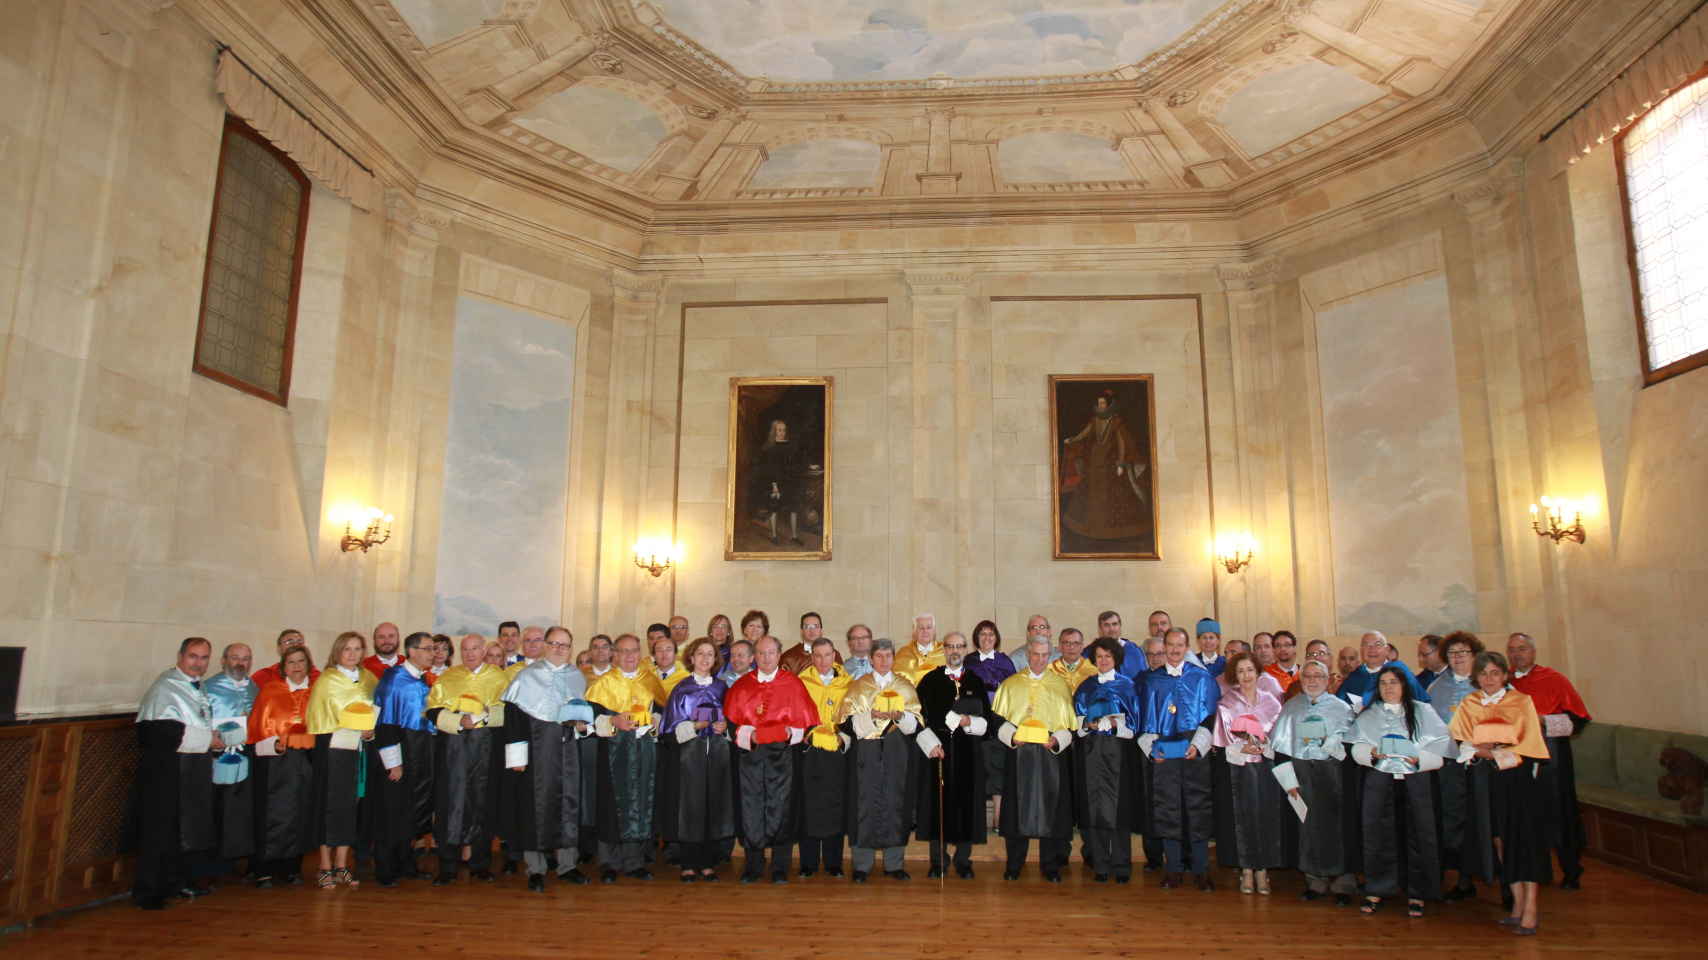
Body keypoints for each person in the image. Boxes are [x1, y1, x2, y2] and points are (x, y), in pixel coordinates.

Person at [1448, 650, 1550, 934]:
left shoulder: (1521, 702)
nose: (1488, 679)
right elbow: (1460, 740)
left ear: (1505, 675)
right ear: (1475, 678)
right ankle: (1517, 903)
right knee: (1499, 841)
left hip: (1516, 779)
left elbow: (1530, 746)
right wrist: (1476, 750)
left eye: (1494, 673)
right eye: (1482, 674)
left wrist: (1496, 754)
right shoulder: (1470, 703)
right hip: (1484, 780)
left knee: (1523, 841)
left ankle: (1531, 906)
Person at [1349, 665, 1455, 917]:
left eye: (1393, 682)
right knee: (1378, 836)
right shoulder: (1369, 714)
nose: (1388, 688)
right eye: (1383, 683)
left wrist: (1417, 758)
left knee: (1420, 836)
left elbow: (1442, 753)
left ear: (1405, 685)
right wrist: (1371, 753)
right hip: (1380, 783)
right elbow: (1355, 749)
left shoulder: (1424, 712)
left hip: (1416, 783)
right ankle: (1377, 890)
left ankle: (1418, 894)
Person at [129, 638, 225, 910]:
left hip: (192, 769)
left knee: (185, 828)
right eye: (193, 657)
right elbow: (162, 733)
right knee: (161, 830)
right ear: (180, 656)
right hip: (166, 773)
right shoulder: (165, 687)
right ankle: (148, 891)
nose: (198, 663)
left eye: (204, 658)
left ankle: (175, 882)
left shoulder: (198, 688)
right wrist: (208, 739)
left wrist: (212, 737)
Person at [501, 624, 593, 892]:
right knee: (534, 809)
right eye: (554, 644)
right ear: (544, 645)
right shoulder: (526, 677)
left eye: (565, 645)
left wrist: (581, 726)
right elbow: (514, 722)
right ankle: (536, 869)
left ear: (570, 648)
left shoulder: (577, 676)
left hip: (568, 753)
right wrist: (517, 758)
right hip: (536, 754)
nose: (559, 650)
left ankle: (567, 866)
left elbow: (582, 715)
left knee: (569, 806)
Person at [723, 636, 818, 884]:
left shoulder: (794, 684)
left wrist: (790, 734)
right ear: (755, 657)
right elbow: (732, 724)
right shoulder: (742, 686)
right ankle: (753, 866)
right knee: (751, 808)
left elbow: (806, 724)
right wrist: (750, 734)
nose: (766, 658)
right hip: (750, 756)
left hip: (784, 757)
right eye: (762, 653)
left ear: (779, 655)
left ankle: (780, 868)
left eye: (771, 653)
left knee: (782, 809)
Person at [835, 638, 924, 881]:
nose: (884, 661)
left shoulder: (905, 686)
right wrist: (871, 716)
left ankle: (894, 864)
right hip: (866, 752)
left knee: (897, 801)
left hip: (897, 751)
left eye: (888, 656)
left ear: (894, 658)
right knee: (863, 803)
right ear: (871, 659)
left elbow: (916, 724)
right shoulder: (858, 686)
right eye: (879, 656)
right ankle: (862, 865)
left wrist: (901, 716)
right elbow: (844, 722)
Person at [425, 633, 510, 884]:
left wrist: (486, 713)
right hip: (453, 750)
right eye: (465, 649)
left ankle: (480, 864)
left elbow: (509, 712)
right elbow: (432, 709)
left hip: (486, 750)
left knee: (483, 804)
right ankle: (448, 865)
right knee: (449, 805)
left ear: (484, 651)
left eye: (475, 649)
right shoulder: (448, 677)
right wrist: (458, 721)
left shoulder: (498, 678)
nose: (470, 653)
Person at [1508, 632, 1591, 890]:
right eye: (1512, 650)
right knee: (1525, 814)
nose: (1517, 654)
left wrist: (1544, 721)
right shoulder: (1505, 682)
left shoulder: (1554, 679)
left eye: (1522, 648)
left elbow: (1577, 722)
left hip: (1552, 756)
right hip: (1517, 756)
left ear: (1533, 652)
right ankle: (1536, 870)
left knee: (1559, 810)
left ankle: (1571, 869)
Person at [1270, 660, 1357, 904]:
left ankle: (1343, 884)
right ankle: (1315, 882)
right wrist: (1288, 782)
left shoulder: (1342, 709)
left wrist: (1328, 739)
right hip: (1301, 773)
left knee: (1337, 829)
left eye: (1318, 676)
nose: (1312, 681)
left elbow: (1350, 749)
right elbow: (1280, 752)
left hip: (1333, 775)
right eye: (1307, 676)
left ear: (1327, 680)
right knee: (1306, 828)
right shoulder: (1291, 707)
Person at [991, 636, 1077, 882]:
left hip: (1050, 754)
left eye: (1044, 655)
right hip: (1020, 754)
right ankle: (1014, 864)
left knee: (1051, 808)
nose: (1040, 660)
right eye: (1035, 654)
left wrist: (1056, 739)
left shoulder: (1060, 685)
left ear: (1049, 655)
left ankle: (1049, 865)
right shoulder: (1011, 684)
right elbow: (999, 720)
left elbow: (1069, 725)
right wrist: (1012, 737)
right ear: (1027, 655)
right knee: (1017, 809)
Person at [1139, 627, 1218, 891]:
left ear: (1187, 647)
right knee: (1168, 809)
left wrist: (1198, 745)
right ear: (1164, 646)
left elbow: (1210, 717)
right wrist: (1153, 749)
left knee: (1197, 809)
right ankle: (1172, 868)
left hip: (1194, 749)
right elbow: (1143, 723)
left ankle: (1202, 870)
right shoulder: (1153, 681)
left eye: (1179, 645)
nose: (1174, 650)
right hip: (1165, 751)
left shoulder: (1202, 679)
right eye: (1170, 645)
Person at [585, 634, 668, 881]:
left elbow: (662, 717)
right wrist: (613, 720)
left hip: (643, 752)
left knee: (641, 804)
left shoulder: (650, 680)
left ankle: (635, 862)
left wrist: (653, 722)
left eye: (634, 651)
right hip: (613, 752)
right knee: (612, 804)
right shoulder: (603, 684)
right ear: (614, 654)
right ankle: (609, 863)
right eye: (624, 651)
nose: (630, 656)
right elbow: (590, 721)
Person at [915, 632, 989, 880]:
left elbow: (987, 721)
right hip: (938, 751)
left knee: (966, 804)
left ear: (966, 649)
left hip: (968, 751)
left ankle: (963, 860)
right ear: (943, 649)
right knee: (938, 804)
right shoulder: (929, 681)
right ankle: (938, 861)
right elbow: (919, 718)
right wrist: (930, 744)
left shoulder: (976, 681)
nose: (955, 650)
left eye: (959, 646)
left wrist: (969, 722)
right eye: (950, 646)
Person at [660, 638, 734, 882]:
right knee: (689, 808)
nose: (704, 658)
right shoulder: (681, 689)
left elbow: (732, 723)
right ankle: (688, 863)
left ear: (715, 660)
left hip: (717, 756)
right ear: (691, 658)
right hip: (689, 756)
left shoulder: (722, 688)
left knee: (713, 807)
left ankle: (707, 863)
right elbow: (669, 731)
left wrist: (724, 726)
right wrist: (695, 726)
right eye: (700, 653)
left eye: (710, 654)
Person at [306, 631, 376, 889]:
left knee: (350, 808)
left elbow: (376, 709)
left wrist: (370, 731)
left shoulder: (368, 678)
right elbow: (319, 719)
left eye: (358, 649)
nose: (353, 653)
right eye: (347, 649)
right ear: (337, 652)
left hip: (360, 751)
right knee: (329, 807)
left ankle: (342, 865)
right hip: (333, 751)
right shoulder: (327, 680)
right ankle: (324, 866)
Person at [1212, 651, 1286, 895]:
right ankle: (1246, 870)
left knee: (1266, 817)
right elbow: (1223, 740)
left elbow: (1279, 738)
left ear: (1258, 672)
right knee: (1242, 819)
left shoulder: (1272, 702)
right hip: (1238, 769)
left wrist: (1264, 747)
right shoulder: (1227, 703)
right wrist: (1241, 748)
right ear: (1235, 674)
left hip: (1266, 769)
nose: (1246, 675)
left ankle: (1263, 871)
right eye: (1241, 671)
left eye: (1250, 670)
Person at [368, 631, 436, 887]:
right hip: (398, 752)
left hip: (417, 751)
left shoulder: (421, 679)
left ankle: (406, 863)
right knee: (391, 810)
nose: (433, 653)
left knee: (408, 811)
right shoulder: (394, 679)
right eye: (428, 649)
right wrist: (392, 761)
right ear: (413, 651)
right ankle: (385, 868)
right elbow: (385, 723)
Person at [1071, 637, 1142, 883]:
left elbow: (1133, 726)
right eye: (1099, 656)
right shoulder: (1085, 686)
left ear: (1116, 659)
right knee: (1096, 811)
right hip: (1090, 753)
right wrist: (1087, 724)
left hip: (1118, 754)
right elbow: (1076, 723)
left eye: (1108, 656)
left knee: (1119, 811)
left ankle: (1122, 866)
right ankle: (1101, 865)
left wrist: (1112, 723)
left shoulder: (1128, 686)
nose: (1103, 660)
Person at [248, 644, 316, 888]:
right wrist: (274, 745)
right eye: (291, 662)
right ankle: (263, 869)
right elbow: (256, 730)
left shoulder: (316, 693)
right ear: (283, 667)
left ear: (308, 665)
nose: (297, 666)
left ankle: (291, 868)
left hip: (305, 762)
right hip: (274, 764)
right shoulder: (269, 692)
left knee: (299, 813)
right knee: (271, 815)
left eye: (301, 661)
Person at [1427, 630, 1484, 900]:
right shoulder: (1437, 686)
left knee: (1482, 820)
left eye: (1464, 652)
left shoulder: (1487, 682)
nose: (1458, 657)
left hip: (1483, 763)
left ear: (1475, 655)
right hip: (1449, 765)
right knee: (1453, 820)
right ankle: (1463, 880)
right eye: (1452, 653)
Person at [1060, 389, 1149, 541]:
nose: (1101, 406)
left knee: (1115, 496)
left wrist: (1120, 464)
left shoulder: (1116, 422)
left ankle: (1113, 531)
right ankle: (1090, 528)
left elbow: (1122, 444)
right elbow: (1085, 433)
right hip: (1094, 464)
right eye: (1099, 403)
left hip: (1110, 464)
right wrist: (1073, 440)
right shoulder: (1094, 420)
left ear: (1108, 405)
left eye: (1104, 403)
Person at [796, 638, 851, 878]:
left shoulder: (848, 683)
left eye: (827, 655)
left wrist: (843, 737)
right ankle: (808, 862)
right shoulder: (801, 682)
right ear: (812, 658)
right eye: (817, 656)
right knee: (808, 804)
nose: (823, 661)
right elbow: (793, 712)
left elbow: (855, 714)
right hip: (810, 750)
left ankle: (833, 863)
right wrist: (804, 736)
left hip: (837, 750)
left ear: (834, 655)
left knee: (834, 805)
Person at [203, 643, 257, 875]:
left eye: (245, 658)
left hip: (245, 756)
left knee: (238, 810)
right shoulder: (209, 688)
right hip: (217, 757)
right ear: (224, 660)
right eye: (235, 657)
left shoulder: (254, 688)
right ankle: (208, 866)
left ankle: (231, 861)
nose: (240, 663)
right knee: (216, 810)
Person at [1136, 635, 1167, 872]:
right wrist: (1148, 746)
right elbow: (1134, 717)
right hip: (1147, 749)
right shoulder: (1139, 681)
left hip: (1175, 750)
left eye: (1160, 653)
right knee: (1150, 803)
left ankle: (1181, 854)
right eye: (1151, 654)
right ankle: (1154, 855)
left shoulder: (1179, 678)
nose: (1156, 659)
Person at [1336, 631, 1430, 709]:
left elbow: (1421, 706)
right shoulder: (1354, 678)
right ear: (1361, 650)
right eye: (1367, 645)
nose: (1372, 650)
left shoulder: (1400, 671)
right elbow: (1339, 709)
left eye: (1378, 644)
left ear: (1387, 649)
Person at [251, 629, 317, 688]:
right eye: (289, 642)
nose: (295, 645)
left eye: (299, 642)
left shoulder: (316, 676)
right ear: (279, 649)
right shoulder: (264, 676)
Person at [1095, 611, 1147, 681]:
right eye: (1107, 625)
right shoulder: (1091, 652)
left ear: (1120, 627)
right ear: (1100, 629)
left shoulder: (1133, 651)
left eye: (1115, 624)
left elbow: (1141, 681)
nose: (1111, 629)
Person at [894, 614, 945, 683]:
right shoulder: (902, 654)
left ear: (934, 630)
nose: (925, 631)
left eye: (929, 627)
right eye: (921, 627)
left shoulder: (945, 652)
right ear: (914, 631)